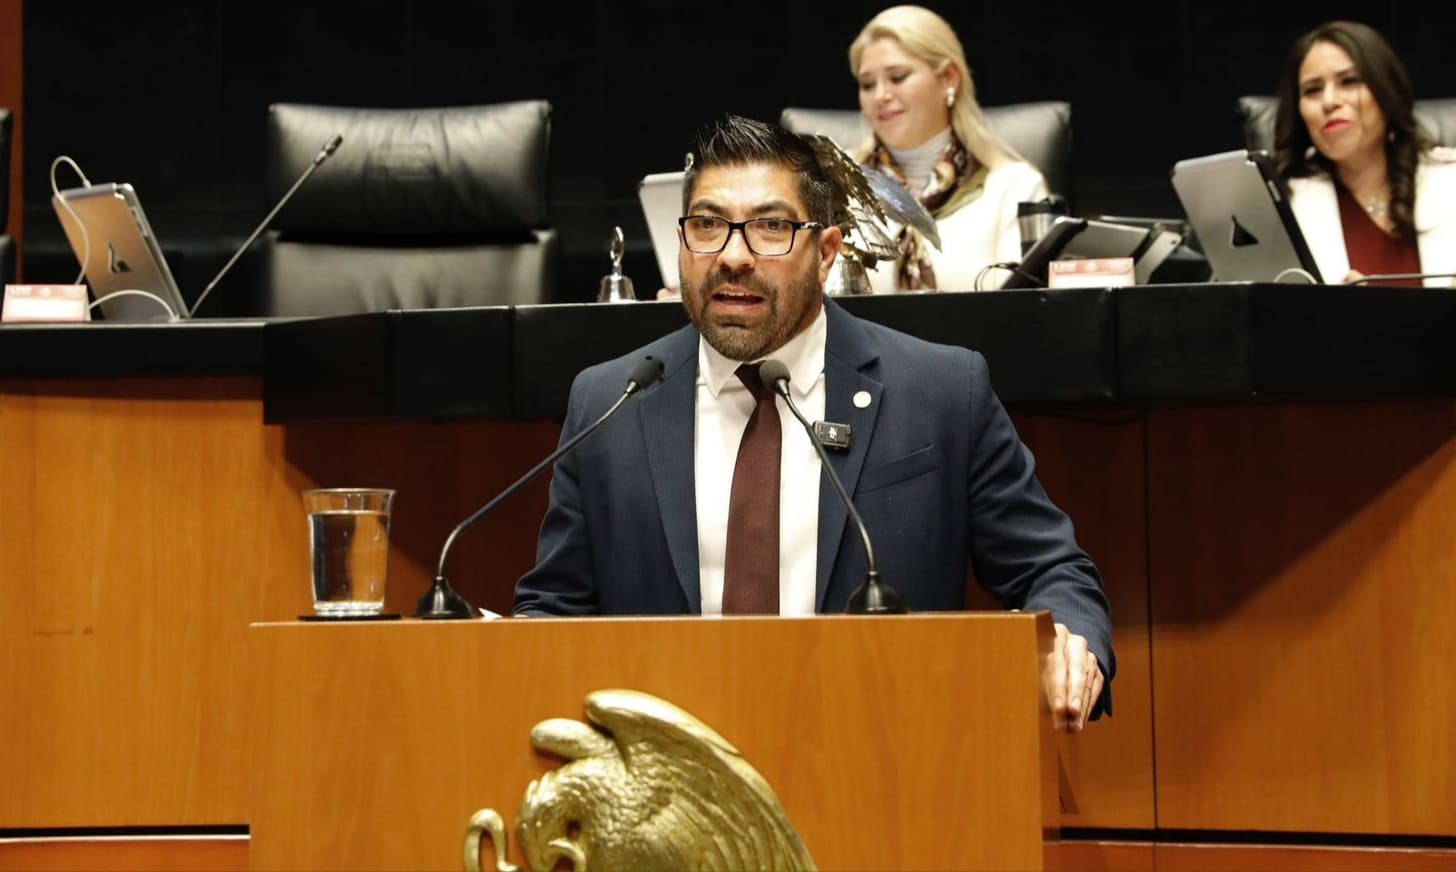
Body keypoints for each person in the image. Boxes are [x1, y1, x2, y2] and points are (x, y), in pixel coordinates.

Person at [515, 115, 1113, 730]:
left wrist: (1072, 642)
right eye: (708, 226)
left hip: (885, 754)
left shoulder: (938, 392)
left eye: (771, 228)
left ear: (826, 253)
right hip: (673, 772)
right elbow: (554, 607)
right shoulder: (610, 402)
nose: (733, 256)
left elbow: (1052, 570)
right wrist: (507, 652)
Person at [848, 5, 1049, 292]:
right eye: (867, 84)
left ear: (949, 78)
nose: (880, 95)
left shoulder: (1015, 188)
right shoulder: (833, 185)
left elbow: (1022, 312)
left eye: (898, 77)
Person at [1273, 20, 1456, 287]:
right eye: (1313, 90)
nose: (1329, 101)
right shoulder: (1283, 207)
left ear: (1386, 92)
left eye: (1349, 82)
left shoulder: (1450, 181)